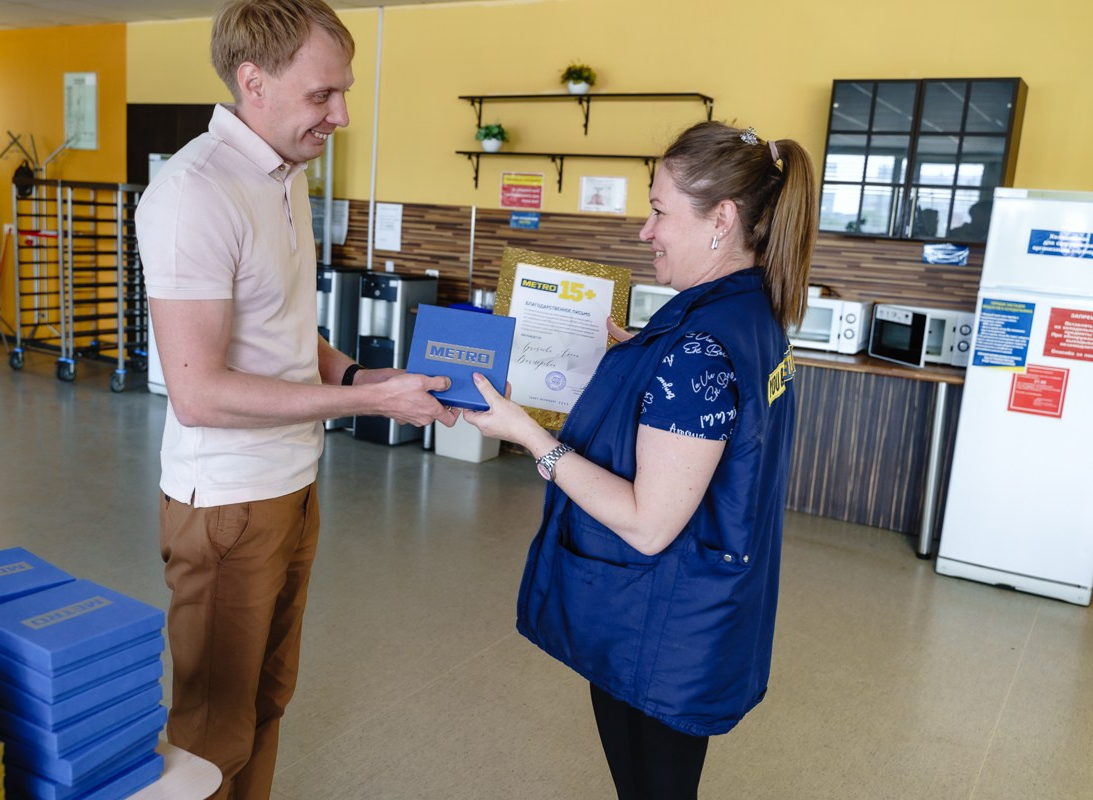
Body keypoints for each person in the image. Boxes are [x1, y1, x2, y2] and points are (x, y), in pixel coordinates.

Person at [135, 2, 457, 797]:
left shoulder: (282, 177)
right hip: (228, 505)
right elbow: (199, 392)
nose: (341, 114)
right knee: (212, 731)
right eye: (324, 95)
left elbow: (283, 333)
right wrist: (371, 409)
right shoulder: (194, 193)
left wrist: (356, 378)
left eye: (344, 92)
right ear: (254, 82)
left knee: (268, 703)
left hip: (291, 486)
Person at [465, 121, 817, 798]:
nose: (644, 231)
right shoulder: (747, 315)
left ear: (721, 219)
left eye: (659, 211)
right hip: (700, 613)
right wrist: (640, 360)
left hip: (664, 630)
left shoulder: (698, 349)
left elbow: (648, 522)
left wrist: (528, 436)